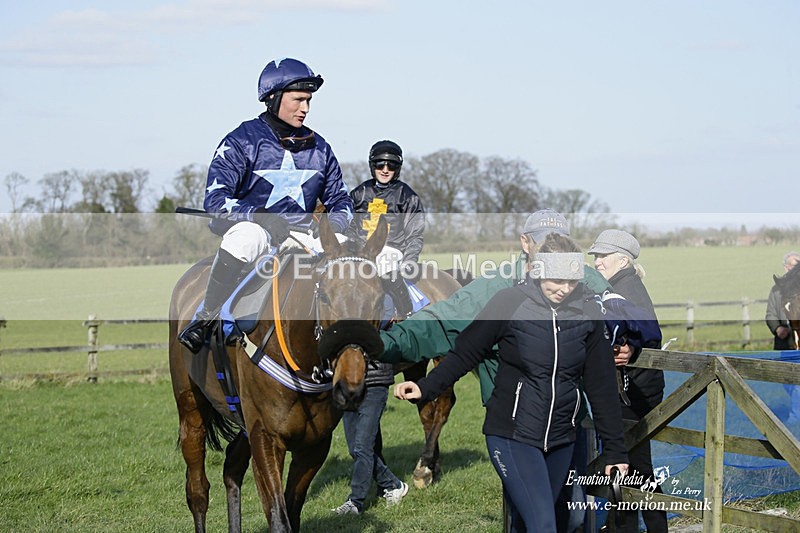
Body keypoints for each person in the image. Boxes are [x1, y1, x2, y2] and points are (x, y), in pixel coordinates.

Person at [394, 233, 629, 533]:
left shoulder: (587, 312)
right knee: (543, 525)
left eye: (572, 281)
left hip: (562, 437)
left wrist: (615, 450)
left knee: (531, 521)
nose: (565, 288)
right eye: (557, 280)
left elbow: (601, 385)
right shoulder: (509, 302)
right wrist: (425, 387)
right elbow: (466, 352)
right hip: (512, 434)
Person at [178, 58, 353, 354]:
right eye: (298, 100)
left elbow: (342, 200)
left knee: (352, 252)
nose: (305, 108)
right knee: (245, 237)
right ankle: (206, 317)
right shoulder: (241, 141)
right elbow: (216, 200)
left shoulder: (320, 147)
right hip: (259, 235)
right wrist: (259, 216)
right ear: (273, 98)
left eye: (308, 101)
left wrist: (330, 227)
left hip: (306, 237)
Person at [588, 229, 667, 533]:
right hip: (632, 389)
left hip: (634, 392)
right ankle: (627, 527)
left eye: (603, 256)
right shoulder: (619, 283)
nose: (597, 261)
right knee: (632, 467)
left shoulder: (626, 287)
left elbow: (651, 330)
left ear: (622, 260)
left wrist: (632, 347)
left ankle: (639, 527)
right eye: (595, 255)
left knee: (635, 467)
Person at [347, 140, 424, 317]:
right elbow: (350, 227)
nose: (385, 169)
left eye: (391, 165)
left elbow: (415, 234)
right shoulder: (358, 193)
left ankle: (407, 313)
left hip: (392, 251)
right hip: (361, 251)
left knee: (385, 267)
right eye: (380, 164)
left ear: (398, 168)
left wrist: (410, 260)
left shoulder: (407, 196)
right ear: (372, 165)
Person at [331, 358, 409, 516]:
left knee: (362, 448)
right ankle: (394, 485)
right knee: (354, 449)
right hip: (347, 382)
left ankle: (355, 502)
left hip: (375, 382)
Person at [766, 251, 800, 350]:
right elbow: (770, 314)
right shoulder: (776, 290)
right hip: (784, 343)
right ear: (786, 267)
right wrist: (777, 328)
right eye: (795, 266)